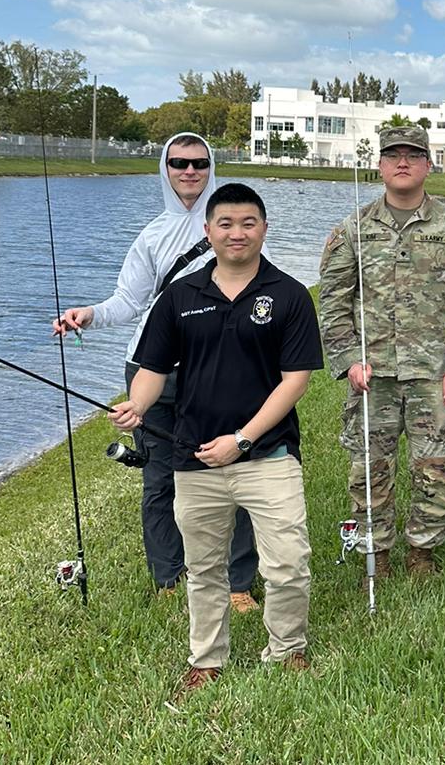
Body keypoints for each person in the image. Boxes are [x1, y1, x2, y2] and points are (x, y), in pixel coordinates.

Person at [110, 183, 323, 698]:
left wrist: (243, 440)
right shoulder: (180, 298)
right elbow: (153, 369)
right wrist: (137, 403)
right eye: (225, 223)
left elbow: (294, 381)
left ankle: (287, 650)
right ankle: (206, 661)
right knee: (203, 570)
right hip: (194, 458)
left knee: (289, 562)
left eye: (248, 223)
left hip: (268, 456)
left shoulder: (289, 295)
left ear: (264, 229)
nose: (237, 232)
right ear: (208, 232)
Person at [53, 133, 259, 605]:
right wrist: (90, 313)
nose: (189, 172)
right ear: (164, 169)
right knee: (160, 478)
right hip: (152, 371)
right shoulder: (151, 235)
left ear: (212, 168)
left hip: (219, 371)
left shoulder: (234, 228)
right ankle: (169, 578)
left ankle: (238, 583)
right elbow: (129, 301)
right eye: (179, 163)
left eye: (199, 163)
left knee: (236, 471)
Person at [318, 124, 445, 579]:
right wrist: (349, 359)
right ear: (380, 166)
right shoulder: (354, 228)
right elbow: (333, 300)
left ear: (428, 164)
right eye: (393, 155)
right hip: (374, 374)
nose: (402, 162)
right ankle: (377, 552)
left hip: (434, 375)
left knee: (438, 466)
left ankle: (422, 553)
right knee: (370, 469)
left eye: (412, 155)